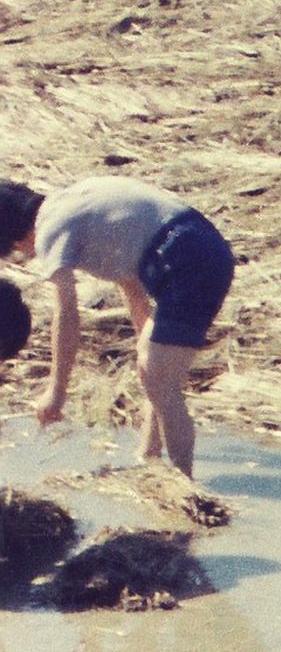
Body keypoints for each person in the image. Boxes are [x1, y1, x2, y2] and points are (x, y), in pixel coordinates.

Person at [0, 172, 235, 481]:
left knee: (161, 381)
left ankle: (183, 484)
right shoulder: (76, 199)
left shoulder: (49, 231)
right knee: (153, 369)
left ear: (16, 239)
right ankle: (148, 457)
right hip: (201, 246)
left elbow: (66, 313)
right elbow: (131, 285)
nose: (28, 255)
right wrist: (146, 345)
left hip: (185, 261)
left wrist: (56, 392)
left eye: (20, 251)